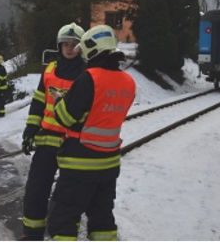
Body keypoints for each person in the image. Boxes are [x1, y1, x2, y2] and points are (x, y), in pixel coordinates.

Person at [46, 25, 136, 241]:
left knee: (64, 220)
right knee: (102, 219)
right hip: (108, 164)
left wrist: (60, 100)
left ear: (92, 49)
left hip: (79, 163)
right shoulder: (128, 82)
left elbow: (66, 118)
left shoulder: (89, 78)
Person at [20, 22, 86, 240]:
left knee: (67, 197)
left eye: (74, 44)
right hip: (47, 142)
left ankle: (64, 236)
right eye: (65, 44)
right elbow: (39, 102)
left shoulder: (88, 75)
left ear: (81, 46)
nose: (69, 48)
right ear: (59, 46)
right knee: (35, 192)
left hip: (73, 144)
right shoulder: (49, 70)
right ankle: (32, 235)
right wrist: (30, 129)